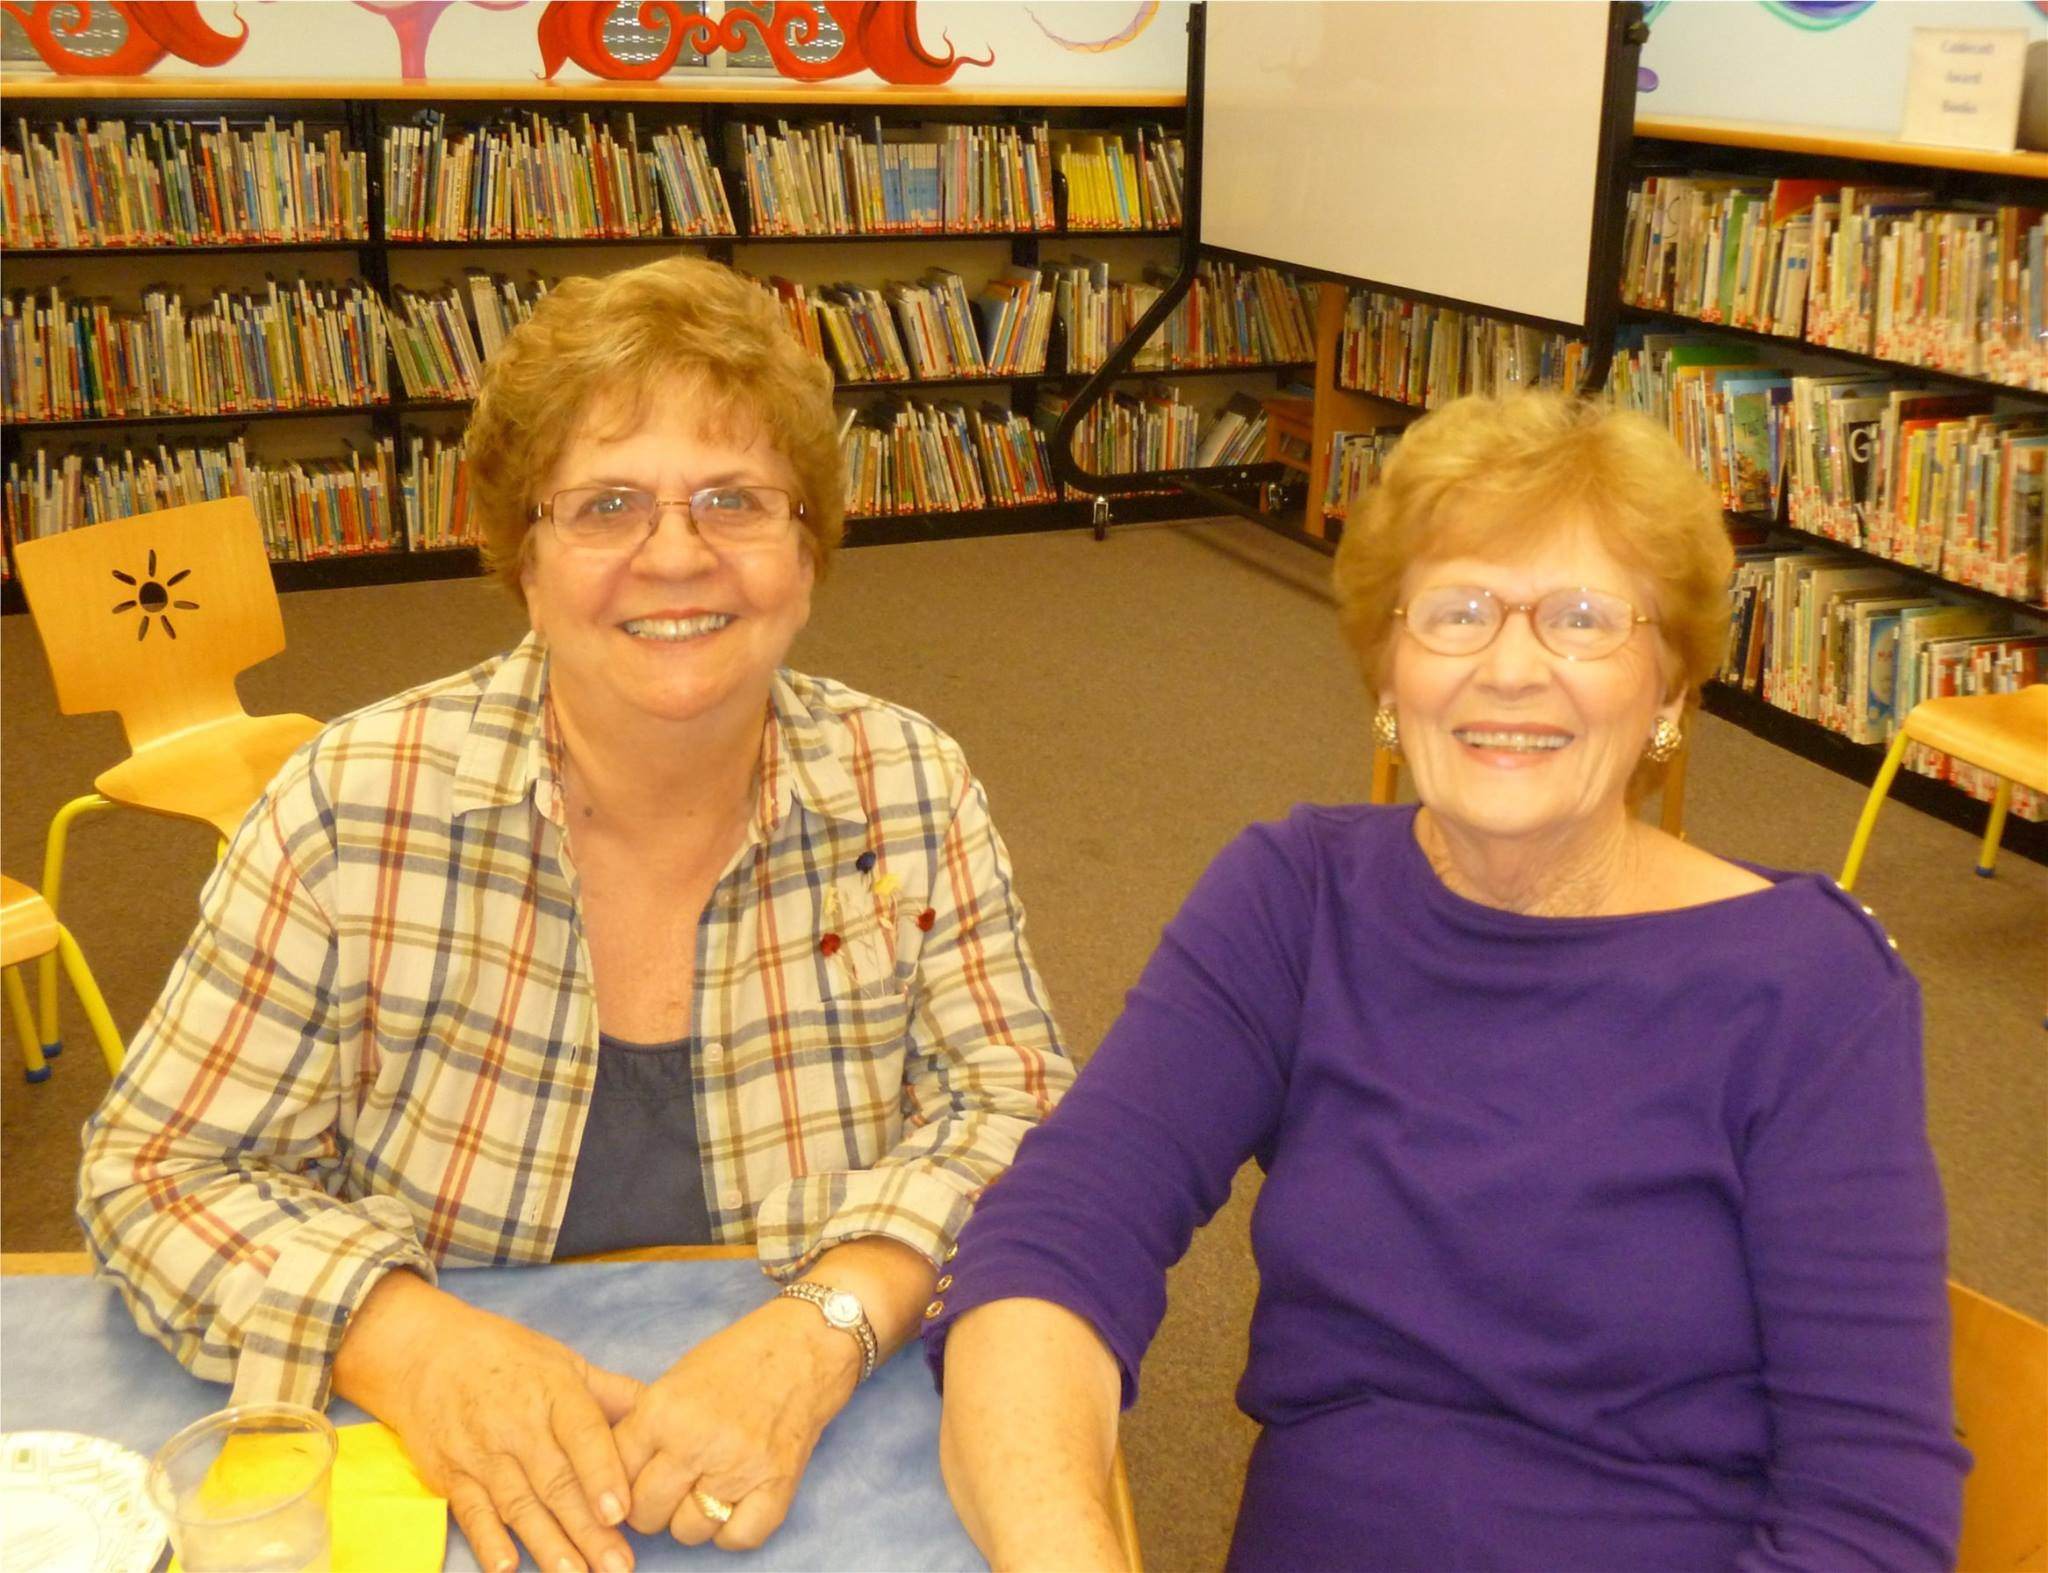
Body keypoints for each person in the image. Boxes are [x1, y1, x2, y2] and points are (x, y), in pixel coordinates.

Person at [79, 255, 1071, 1573]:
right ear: (522, 554)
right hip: (444, 1484)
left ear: (807, 545)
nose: (676, 554)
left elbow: (1025, 1120)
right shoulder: (355, 805)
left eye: (734, 499)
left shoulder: (906, 785)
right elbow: (152, 1172)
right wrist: (408, 1340)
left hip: (806, 1465)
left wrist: (832, 1321)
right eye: (606, 504)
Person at [927, 392, 1966, 1571]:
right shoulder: (1296, 895)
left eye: (1581, 617)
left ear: (1669, 690)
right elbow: (1062, 1229)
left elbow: (1869, 1509)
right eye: (1456, 611)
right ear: (1387, 670)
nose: (1509, 668)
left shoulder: (1807, 985)